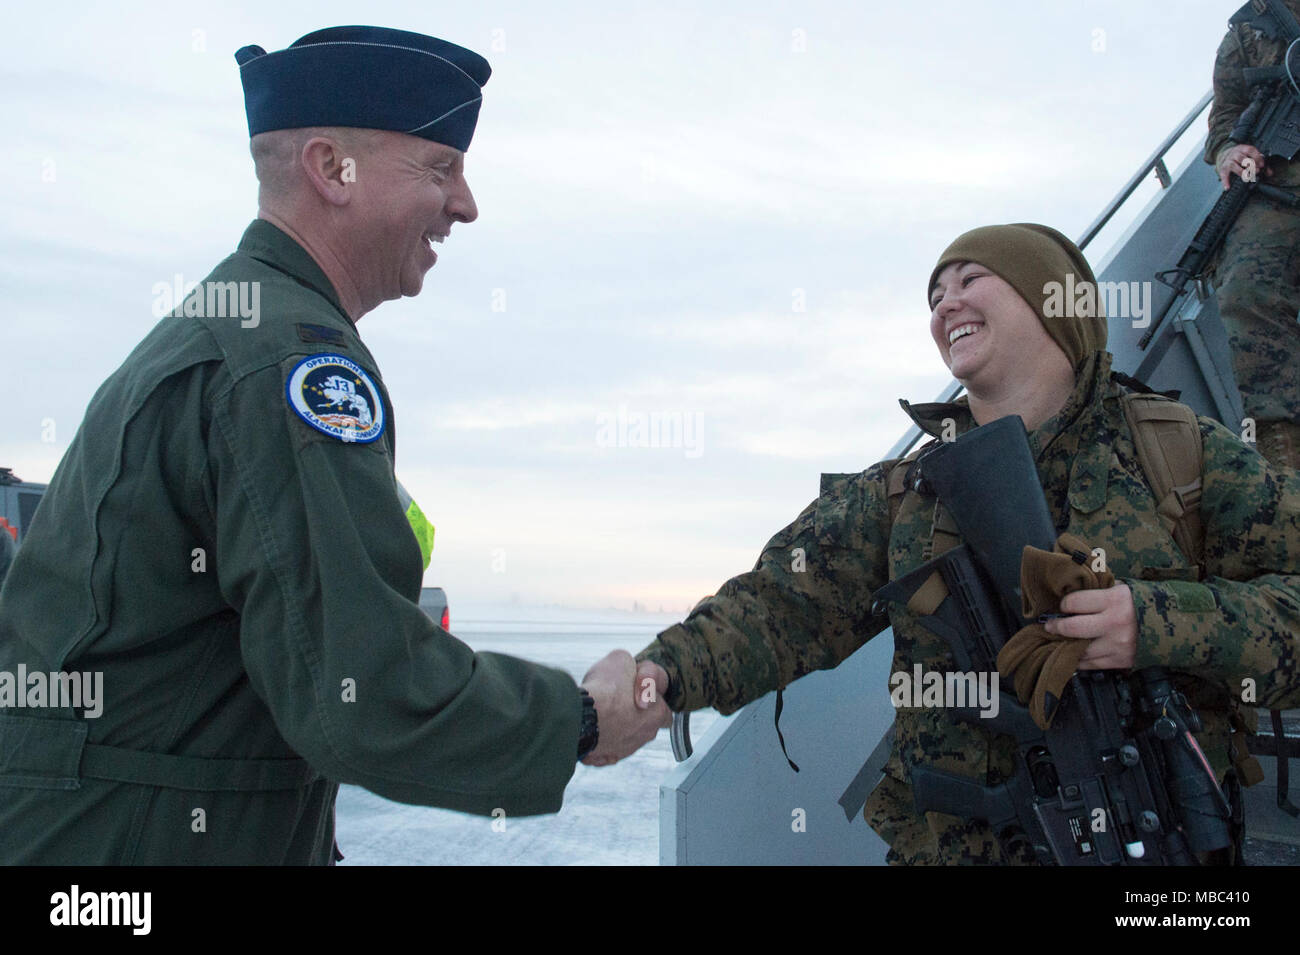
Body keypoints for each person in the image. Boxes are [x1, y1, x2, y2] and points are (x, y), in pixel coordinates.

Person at [0, 25, 666, 865]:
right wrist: (582, 718)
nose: (464, 203)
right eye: (440, 167)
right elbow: (364, 692)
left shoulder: (237, 320)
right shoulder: (288, 361)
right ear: (329, 169)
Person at [621, 223, 1300, 864]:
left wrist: (1153, 623)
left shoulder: (1184, 456)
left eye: (971, 278)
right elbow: (775, 608)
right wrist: (655, 678)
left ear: (1051, 302)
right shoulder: (904, 493)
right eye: (935, 295)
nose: (947, 302)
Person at [1206, 0, 1300, 468]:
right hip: (1277, 188)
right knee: (1244, 292)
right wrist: (1229, 150)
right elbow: (1224, 116)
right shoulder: (1249, 28)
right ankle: (1285, 468)